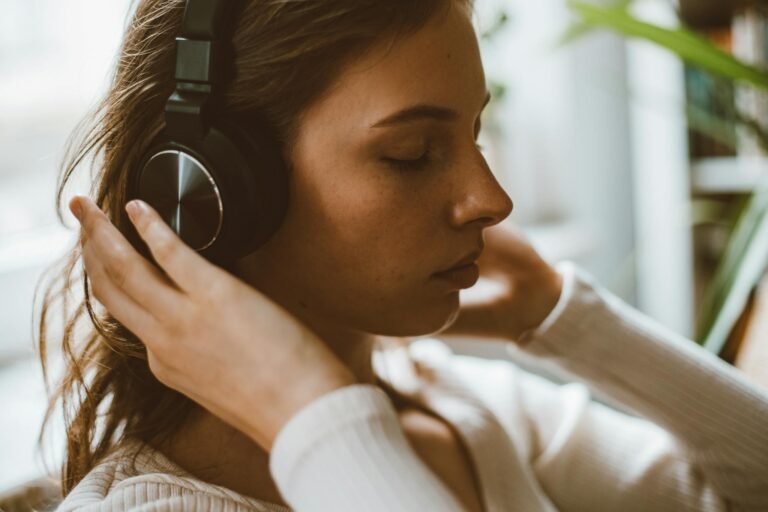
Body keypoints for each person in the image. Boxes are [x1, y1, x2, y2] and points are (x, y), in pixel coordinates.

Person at [37, 0, 768, 511]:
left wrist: (564, 317)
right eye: (412, 153)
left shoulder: (465, 410)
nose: (491, 198)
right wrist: (311, 414)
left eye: (475, 133)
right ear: (222, 187)